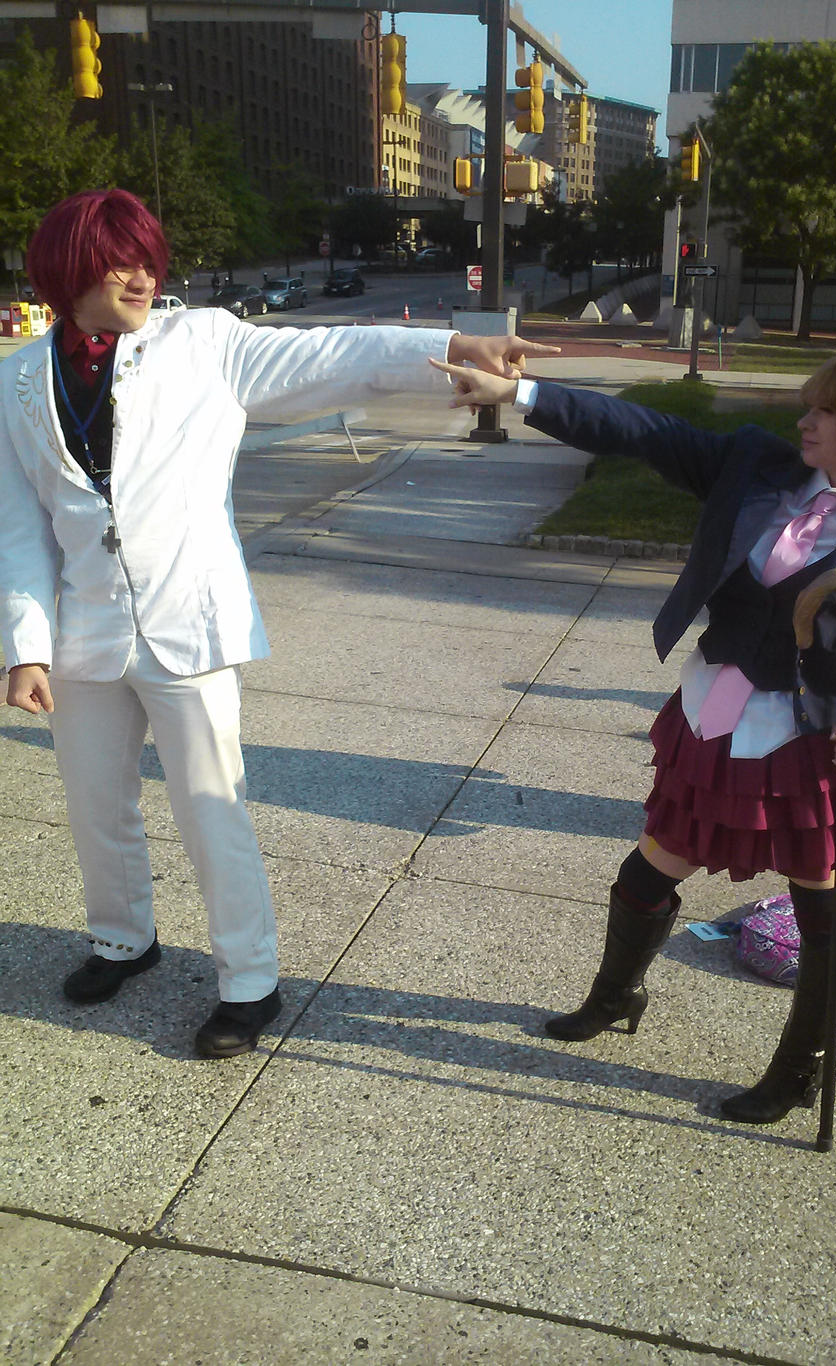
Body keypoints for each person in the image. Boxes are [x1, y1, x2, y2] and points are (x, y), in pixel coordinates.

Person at [0, 188, 555, 1059]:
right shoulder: (18, 379)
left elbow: (332, 353)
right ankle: (122, 940)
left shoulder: (202, 344)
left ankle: (249, 982)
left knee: (210, 808)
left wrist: (446, 345)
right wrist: (25, 648)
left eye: (151, 255)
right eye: (122, 258)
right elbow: (19, 526)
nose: (144, 272)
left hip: (190, 625)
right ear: (70, 268)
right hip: (84, 634)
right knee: (94, 805)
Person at [432, 345, 836, 1126]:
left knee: (822, 910)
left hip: (820, 742)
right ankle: (615, 998)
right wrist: (520, 392)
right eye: (809, 407)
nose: (804, 420)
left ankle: (797, 1072)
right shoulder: (754, 463)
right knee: (651, 867)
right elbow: (641, 429)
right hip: (721, 712)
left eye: (824, 412)